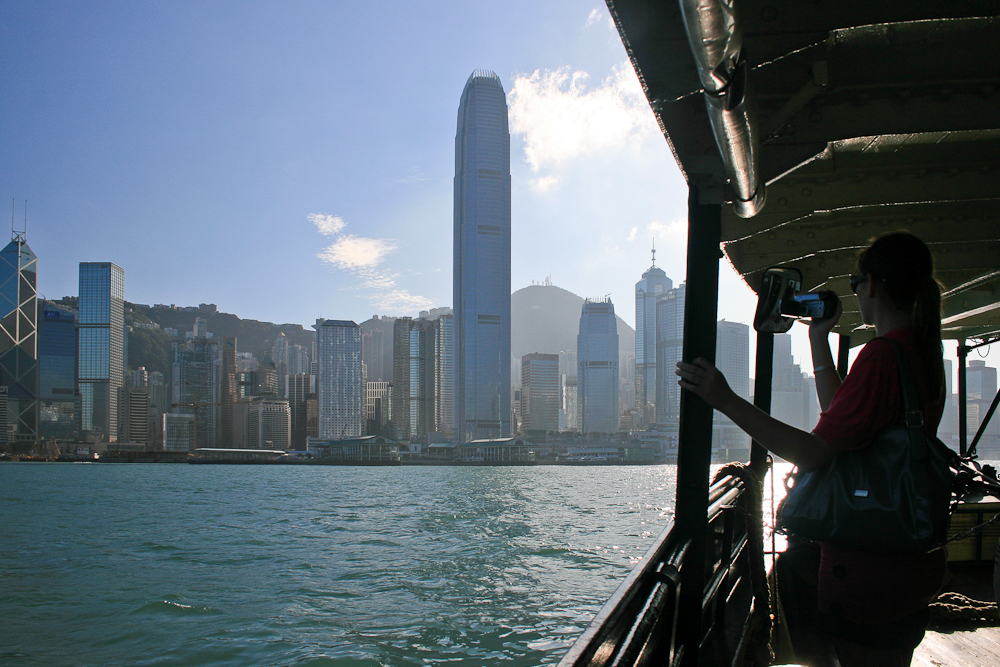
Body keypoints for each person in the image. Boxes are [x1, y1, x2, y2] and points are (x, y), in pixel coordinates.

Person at [676, 232, 947, 667]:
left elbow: (814, 453)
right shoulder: (921, 353)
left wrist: (724, 399)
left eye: (857, 282)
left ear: (874, 284)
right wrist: (818, 337)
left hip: (867, 570)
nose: (856, 292)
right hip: (904, 563)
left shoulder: (882, 355)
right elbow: (844, 418)